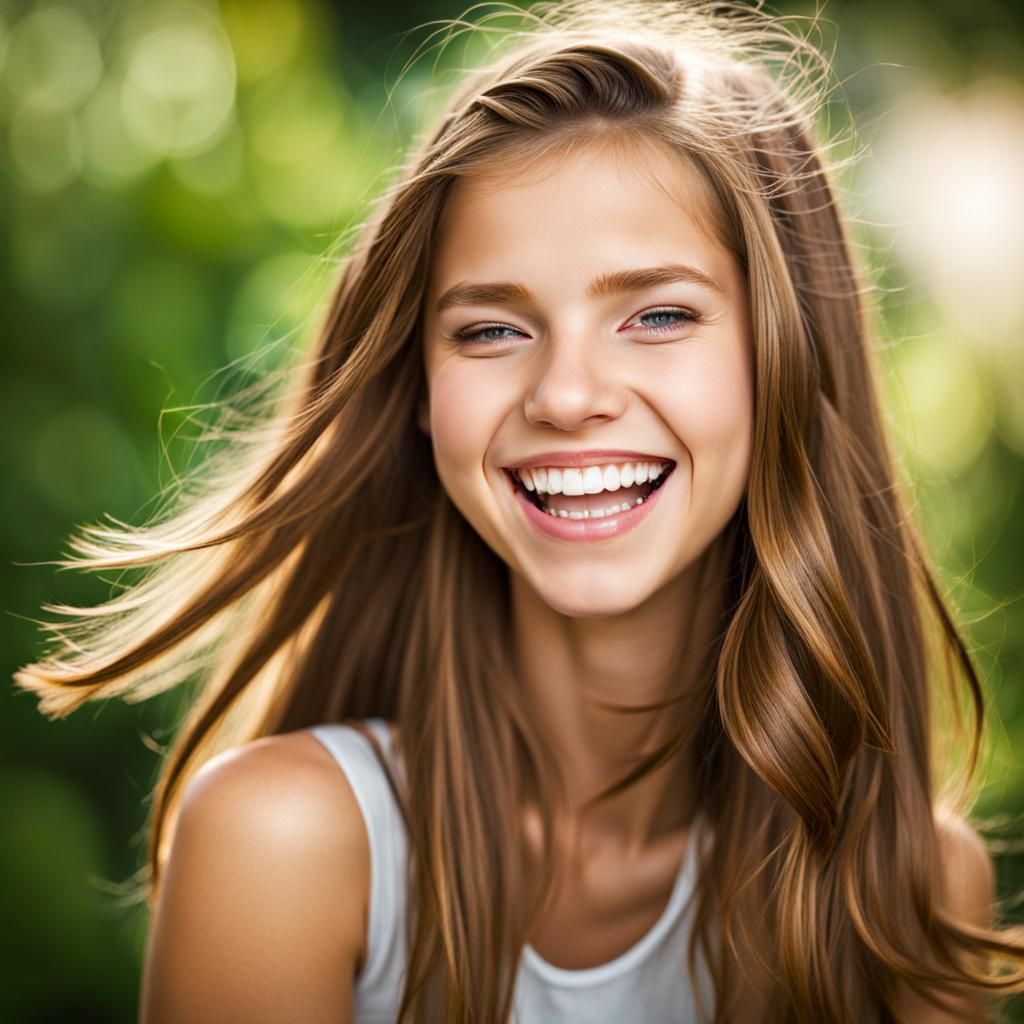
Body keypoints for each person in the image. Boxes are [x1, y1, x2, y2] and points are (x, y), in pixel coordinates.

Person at [14, 0, 1024, 1021]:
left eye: (658, 314)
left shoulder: (910, 892)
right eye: (492, 330)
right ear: (419, 391)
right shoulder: (281, 840)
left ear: (787, 358)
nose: (566, 395)